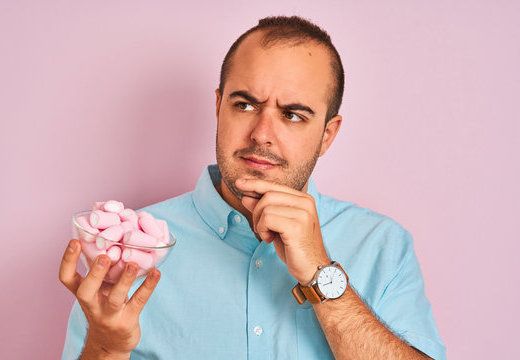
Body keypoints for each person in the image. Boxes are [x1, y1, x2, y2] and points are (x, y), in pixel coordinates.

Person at [60, 16, 446, 360]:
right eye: (244, 105)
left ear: (327, 135)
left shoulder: (383, 246)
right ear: (218, 106)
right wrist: (106, 349)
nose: (262, 134)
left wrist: (321, 273)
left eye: (293, 115)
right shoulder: (130, 250)